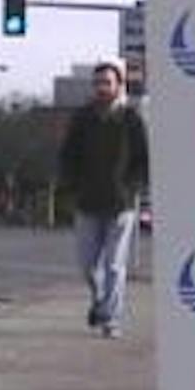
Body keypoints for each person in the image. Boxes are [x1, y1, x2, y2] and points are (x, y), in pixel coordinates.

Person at [56, 61, 149, 337]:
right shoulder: (82, 118)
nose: (102, 88)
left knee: (114, 265)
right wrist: (71, 186)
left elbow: (142, 159)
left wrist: (133, 188)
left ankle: (112, 320)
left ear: (118, 85)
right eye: (98, 83)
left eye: (107, 82)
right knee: (87, 265)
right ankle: (99, 300)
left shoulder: (130, 119)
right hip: (87, 202)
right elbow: (68, 156)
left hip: (120, 203)